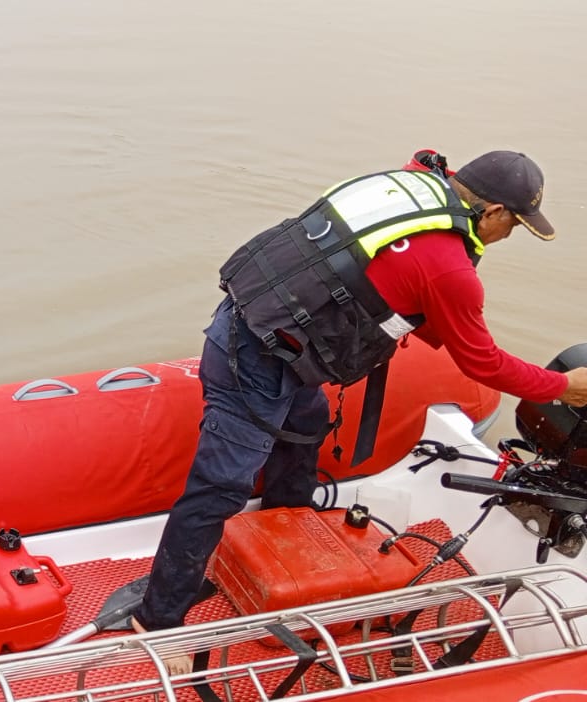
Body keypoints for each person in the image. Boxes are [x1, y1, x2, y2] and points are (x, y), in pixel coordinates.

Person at [133, 150, 587, 673]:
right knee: (221, 485)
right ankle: (158, 619)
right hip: (254, 358)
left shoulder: (409, 183)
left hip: (266, 325)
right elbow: (482, 363)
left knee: (305, 424)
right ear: (494, 212)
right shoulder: (451, 269)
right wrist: (564, 386)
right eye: (515, 224)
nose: (509, 236)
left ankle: (285, 528)